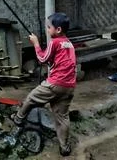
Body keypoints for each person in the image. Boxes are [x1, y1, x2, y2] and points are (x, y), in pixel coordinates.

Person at [14, 12, 76, 157]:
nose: (47, 30)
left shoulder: (55, 42)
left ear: (58, 30)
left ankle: (18, 119)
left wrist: (35, 43)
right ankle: (65, 148)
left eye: (49, 27)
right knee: (62, 117)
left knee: (31, 98)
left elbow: (42, 59)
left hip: (55, 83)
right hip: (69, 86)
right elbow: (54, 61)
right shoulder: (69, 43)